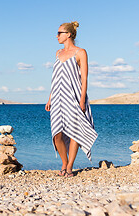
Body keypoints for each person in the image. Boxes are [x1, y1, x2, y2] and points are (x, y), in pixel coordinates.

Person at [45, 20, 98, 177]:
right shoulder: (57, 53)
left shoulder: (80, 52)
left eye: (59, 33)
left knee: (75, 131)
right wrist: (50, 99)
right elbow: (55, 78)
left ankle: (69, 166)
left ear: (68, 34)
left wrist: (82, 100)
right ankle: (63, 161)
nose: (57, 36)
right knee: (56, 134)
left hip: (73, 96)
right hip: (57, 97)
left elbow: (84, 79)